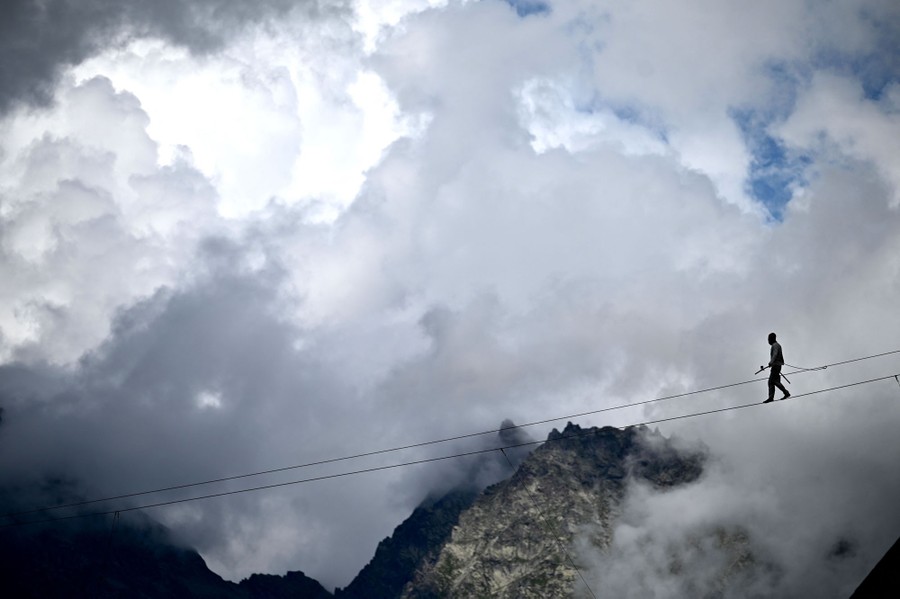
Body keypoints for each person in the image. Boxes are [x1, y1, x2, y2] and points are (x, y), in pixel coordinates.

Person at [763, 332, 790, 403]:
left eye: (768, 339)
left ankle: (783, 393)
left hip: (776, 366)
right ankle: (782, 394)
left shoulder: (775, 346)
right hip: (777, 365)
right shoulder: (777, 345)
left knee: (772, 381)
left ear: (771, 339)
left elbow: (775, 354)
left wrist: (771, 362)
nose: (768, 341)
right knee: (774, 381)